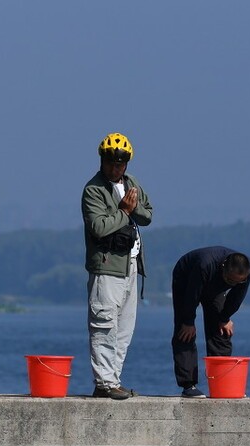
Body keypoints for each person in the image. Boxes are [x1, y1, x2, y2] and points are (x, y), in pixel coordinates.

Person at [83, 132, 153, 400]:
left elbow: (148, 214)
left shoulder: (131, 182)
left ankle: (113, 380)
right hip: (106, 268)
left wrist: (133, 210)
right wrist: (123, 211)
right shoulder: (93, 190)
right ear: (102, 161)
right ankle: (104, 382)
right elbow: (99, 227)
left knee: (124, 329)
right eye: (112, 163)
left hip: (131, 266)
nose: (116, 168)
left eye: (121, 164)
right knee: (104, 325)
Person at [171, 246, 250, 397]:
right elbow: (192, 294)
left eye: (238, 282)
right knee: (185, 332)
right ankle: (188, 385)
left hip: (215, 284)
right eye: (230, 280)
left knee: (221, 330)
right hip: (186, 278)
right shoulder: (205, 264)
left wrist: (225, 318)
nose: (233, 284)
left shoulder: (247, 271)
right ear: (223, 266)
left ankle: (222, 382)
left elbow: (237, 297)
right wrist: (188, 321)